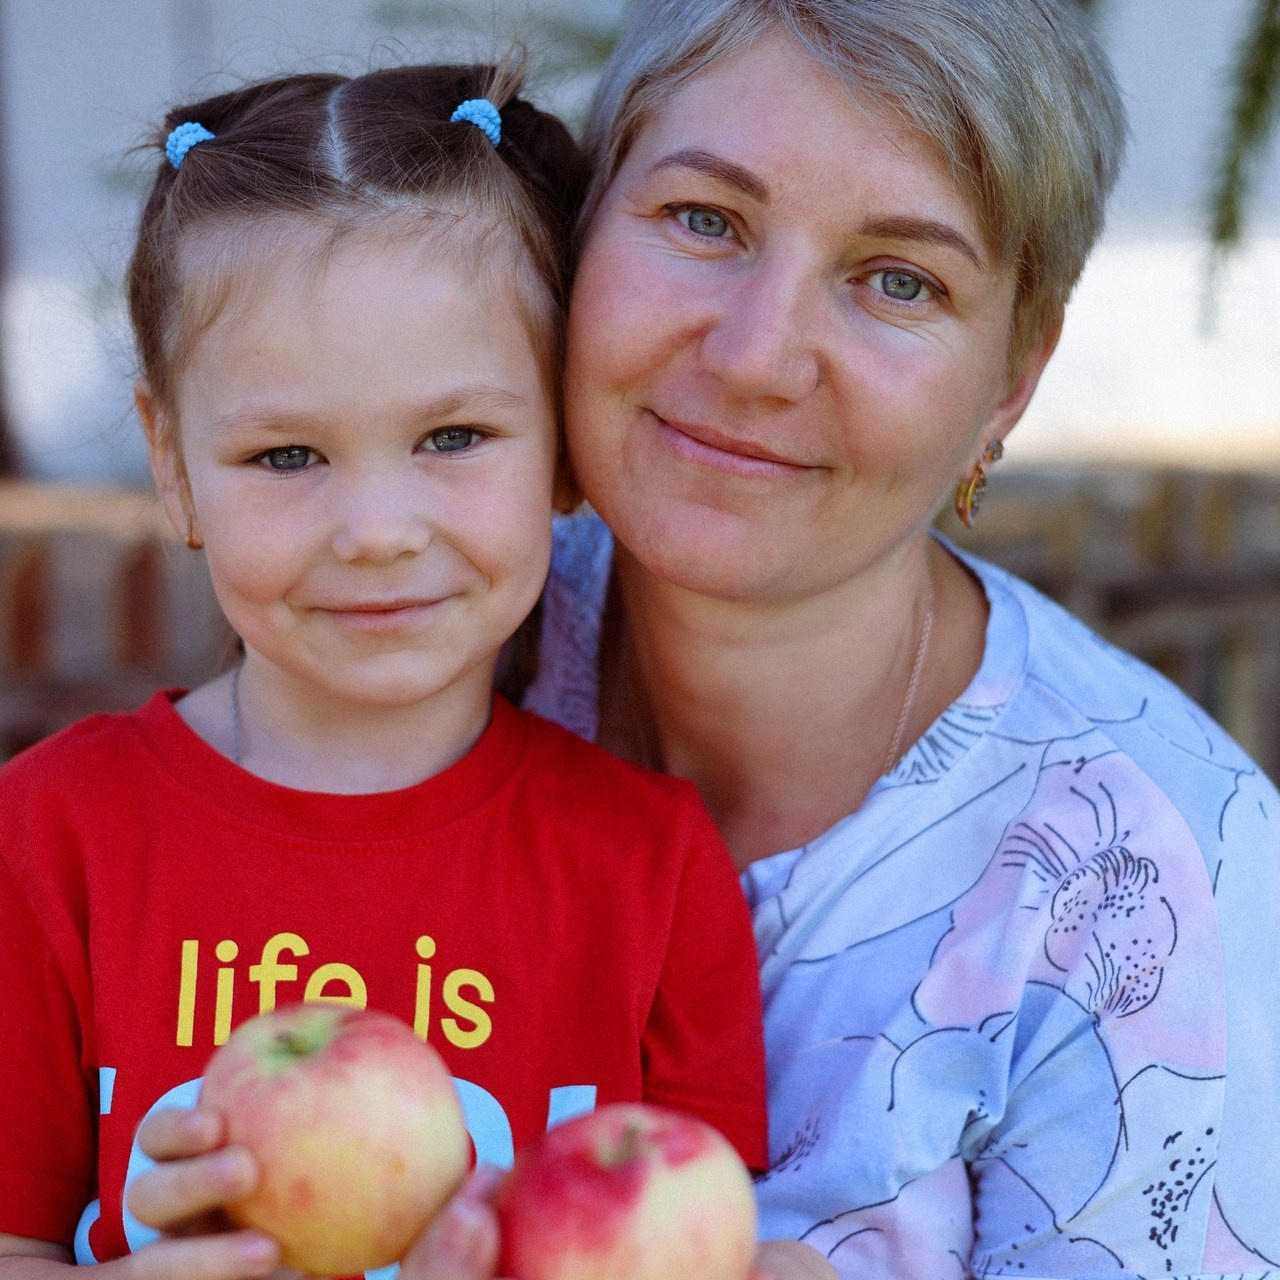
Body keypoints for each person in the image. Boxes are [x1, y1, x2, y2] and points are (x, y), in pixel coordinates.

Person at [123, 1, 1280, 1277]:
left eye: (901, 278)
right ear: (582, 231)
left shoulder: (1154, 897)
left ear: (1010, 374)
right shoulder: (424, 610)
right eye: (702, 219)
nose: (754, 356)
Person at [0, 59, 772, 1277]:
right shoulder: (51, 841)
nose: (375, 528)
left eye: (452, 436)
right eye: (286, 453)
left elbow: (713, 1239)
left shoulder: (650, 870)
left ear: (565, 443)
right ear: (172, 460)